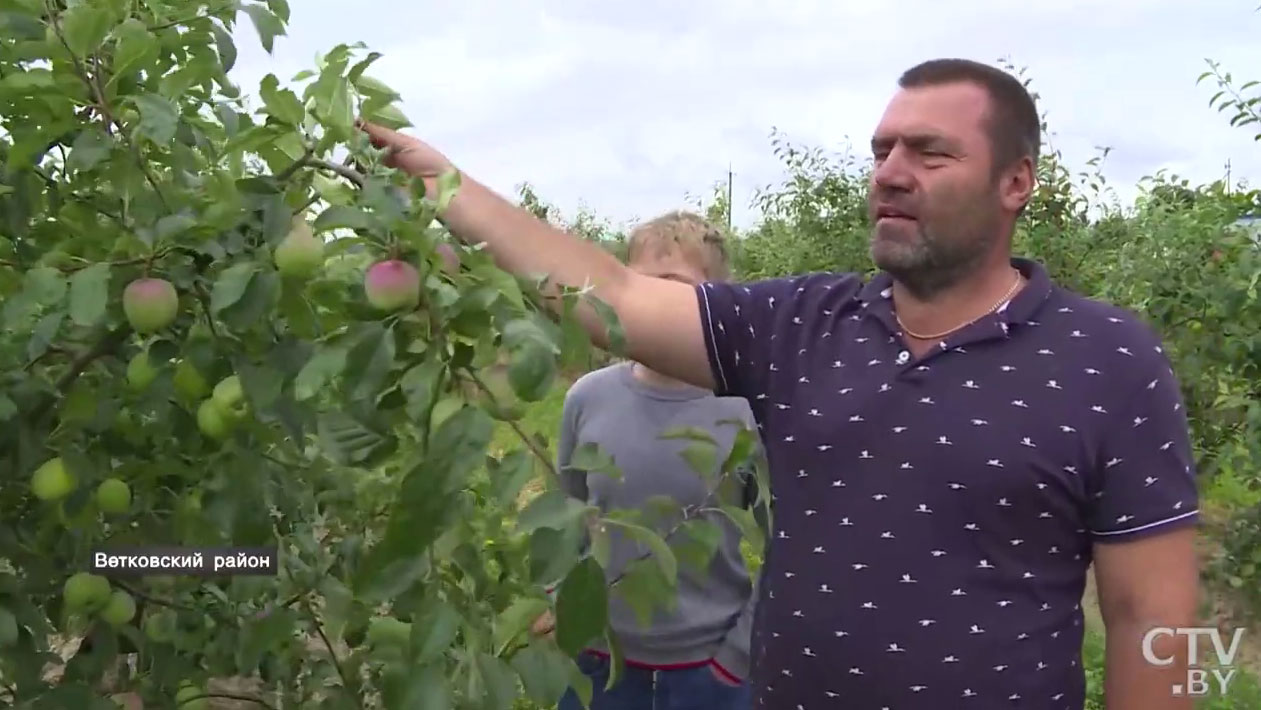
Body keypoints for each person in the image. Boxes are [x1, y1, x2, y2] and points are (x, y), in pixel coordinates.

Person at [359, 57, 1202, 709]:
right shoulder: (801, 326)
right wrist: (445, 185)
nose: (890, 172)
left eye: (930, 152)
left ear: (1015, 182)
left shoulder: (1106, 358)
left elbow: (1155, 620)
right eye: (881, 151)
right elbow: (613, 297)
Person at [532, 211, 764, 710]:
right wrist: (558, 598)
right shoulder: (588, 398)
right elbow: (568, 512)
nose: (653, 301)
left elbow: (786, 543)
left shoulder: (744, 411)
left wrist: (736, 658)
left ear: (717, 296)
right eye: (638, 284)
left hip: (709, 669)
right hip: (599, 662)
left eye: (674, 285)